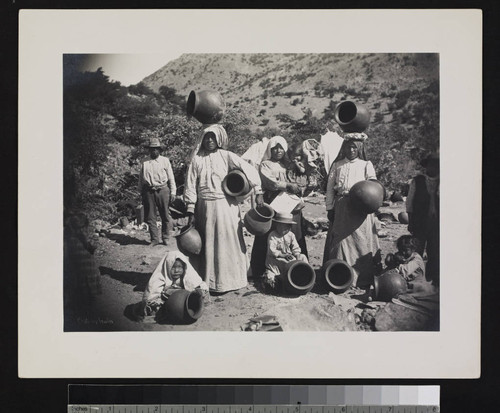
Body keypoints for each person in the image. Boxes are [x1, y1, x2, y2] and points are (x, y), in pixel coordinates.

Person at [184, 124, 263, 293]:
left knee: (228, 241)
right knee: (206, 243)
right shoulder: (197, 159)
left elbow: (248, 169)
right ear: (202, 139)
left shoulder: (226, 156)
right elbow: (190, 184)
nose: (210, 140)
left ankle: (230, 281)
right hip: (204, 206)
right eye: (206, 137)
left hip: (225, 205)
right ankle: (209, 282)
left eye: (212, 137)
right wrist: (190, 209)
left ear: (219, 139)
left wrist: (257, 190)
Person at [323, 133, 381, 289]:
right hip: (341, 205)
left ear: (360, 148)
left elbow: (373, 185)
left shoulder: (366, 164)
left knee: (361, 240)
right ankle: (339, 276)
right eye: (348, 146)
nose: (351, 150)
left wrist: (371, 200)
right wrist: (330, 207)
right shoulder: (337, 165)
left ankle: (360, 278)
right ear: (344, 148)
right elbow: (329, 188)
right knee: (339, 241)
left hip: (360, 206)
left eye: (354, 147)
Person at [250, 136, 309, 278]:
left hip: (291, 203)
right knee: (270, 234)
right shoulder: (266, 164)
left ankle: (297, 268)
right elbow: (271, 182)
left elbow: (300, 178)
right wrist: (288, 185)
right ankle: (264, 268)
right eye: (275, 148)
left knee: (293, 231)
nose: (278, 151)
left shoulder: (289, 165)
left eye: (281, 148)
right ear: (270, 150)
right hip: (274, 203)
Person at [133, 251, 208, 321]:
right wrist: (164, 296)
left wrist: (198, 292)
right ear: (167, 267)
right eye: (173, 267)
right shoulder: (159, 278)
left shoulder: (187, 276)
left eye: (180, 267)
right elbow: (151, 296)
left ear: (184, 267)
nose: (176, 270)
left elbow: (199, 285)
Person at [406, 153, 440, 286]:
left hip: (436, 222)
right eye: (431, 165)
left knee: (434, 249)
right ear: (426, 167)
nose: (434, 168)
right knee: (417, 249)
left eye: (436, 165)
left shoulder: (443, 182)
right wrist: (410, 221)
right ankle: (415, 276)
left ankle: (432, 277)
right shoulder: (417, 181)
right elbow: (409, 203)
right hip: (420, 221)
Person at [63, 211, 102, 327]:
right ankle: (89, 319)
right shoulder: (85, 238)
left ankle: (79, 317)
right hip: (88, 270)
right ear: (85, 226)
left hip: (76, 271)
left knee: (78, 296)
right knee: (89, 298)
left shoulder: (68, 239)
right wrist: (96, 235)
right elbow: (93, 247)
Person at [138, 137, 177, 246]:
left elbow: (171, 177)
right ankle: (154, 239)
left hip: (163, 190)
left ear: (159, 150)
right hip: (148, 190)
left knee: (165, 215)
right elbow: (141, 178)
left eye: (156, 149)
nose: (153, 151)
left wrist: (173, 191)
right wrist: (140, 190)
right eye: (151, 149)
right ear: (149, 150)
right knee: (151, 217)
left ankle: (165, 237)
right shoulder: (144, 161)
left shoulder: (165, 161)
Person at [262, 212, 308, 291]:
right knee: (280, 267)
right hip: (276, 259)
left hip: (289, 257)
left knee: (302, 257)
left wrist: (297, 255)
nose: (288, 229)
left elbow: (295, 247)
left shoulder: (291, 235)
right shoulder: (273, 235)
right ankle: (277, 281)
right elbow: (272, 251)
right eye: (285, 226)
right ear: (278, 225)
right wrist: (282, 255)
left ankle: (306, 275)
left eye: (289, 226)